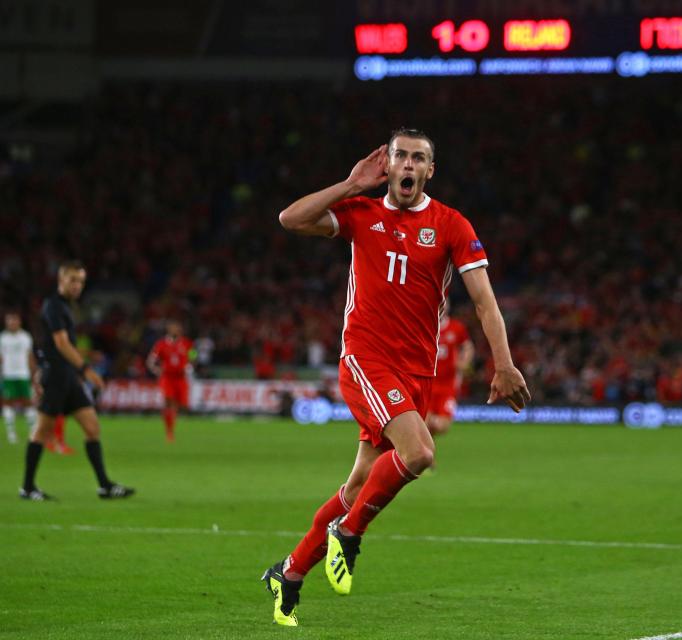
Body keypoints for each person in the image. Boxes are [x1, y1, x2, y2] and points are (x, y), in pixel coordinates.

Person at [261, 129, 530, 627]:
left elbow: (484, 300)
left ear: (430, 171)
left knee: (358, 483)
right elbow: (289, 219)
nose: (408, 164)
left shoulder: (450, 224)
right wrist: (348, 184)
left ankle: (291, 572)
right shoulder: (361, 214)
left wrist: (504, 362)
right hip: (366, 359)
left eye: (419, 158)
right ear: (387, 164)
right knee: (421, 452)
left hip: (416, 371)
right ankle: (350, 533)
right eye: (400, 155)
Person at [19, 261, 135, 501]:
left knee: (92, 427)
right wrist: (87, 370)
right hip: (57, 376)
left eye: (81, 281)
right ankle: (27, 487)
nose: (77, 285)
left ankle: (104, 485)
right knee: (42, 431)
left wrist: (84, 360)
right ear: (61, 280)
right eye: (73, 280)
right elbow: (61, 344)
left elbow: (64, 346)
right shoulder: (53, 306)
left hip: (68, 377)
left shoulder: (65, 307)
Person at [426, 309, 474, 438]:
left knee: (442, 427)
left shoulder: (456, 327)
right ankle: (425, 456)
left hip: (448, 386)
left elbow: (468, 346)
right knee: (424, 426)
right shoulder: (425, 325)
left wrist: (464, 362)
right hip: (427, 385)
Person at [147, 320, 194, 442]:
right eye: (173, 328)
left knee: (183, 406)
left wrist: (191, 366)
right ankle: (169, 432)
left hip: (181, 378)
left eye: (177, 328)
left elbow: (194, 356)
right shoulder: (161, 344)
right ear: (168, 330)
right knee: (168, 402)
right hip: (167, 378)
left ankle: (173, 423)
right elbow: (151, 360)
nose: (176, 330)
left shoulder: (187, 343)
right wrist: (156, 370)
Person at [1, 311, 37, 444]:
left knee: (28, 402)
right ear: (6, 322)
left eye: (14, 320)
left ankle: (33, 431)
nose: (11, 323)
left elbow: (30, 356)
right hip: (8, 375)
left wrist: (34, 374)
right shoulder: (2, 338)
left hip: (23, 374)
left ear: (19, 322)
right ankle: (11, 434)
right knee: (7, 403)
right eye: (9, 320)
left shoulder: (25, 337)